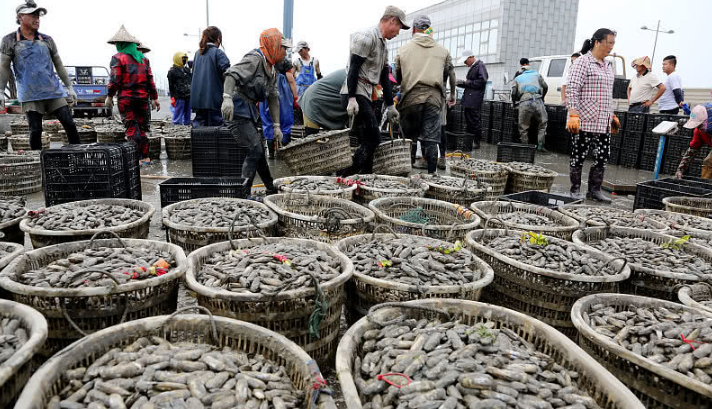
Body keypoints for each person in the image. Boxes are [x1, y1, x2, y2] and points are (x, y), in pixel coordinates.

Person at [0, 1, 80, 150]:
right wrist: (0, 91)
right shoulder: (9, 40)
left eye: (38, 15)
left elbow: (59, 64)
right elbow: (4, 67)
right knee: (35, 130)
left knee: (69, 123)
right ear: (20, 17)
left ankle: (78, 154)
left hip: (53, 91)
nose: (37, 19)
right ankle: (37, 159)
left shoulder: (47, 40)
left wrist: (69, 86)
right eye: (32, 15)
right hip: (30, 94)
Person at [221, 28, 291, 197]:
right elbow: (231, 75)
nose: (285, 52)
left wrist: (276, 126)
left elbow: (273, 97)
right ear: (274, 46)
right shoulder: (255, 59)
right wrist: (227, 98)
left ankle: (270, 187)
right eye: (283, 48)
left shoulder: (272, 68)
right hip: (237, 109)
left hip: (250, 110)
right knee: (255, 149)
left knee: (258, 150)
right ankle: (243, 195)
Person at [339, 5, 408, 176]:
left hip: (367, 93)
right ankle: (346, 175)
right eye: (399, 27)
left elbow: (385, 77)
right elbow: (353, 68)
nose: (398, 32)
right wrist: (352, 98)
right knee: (374, 137)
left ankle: (365, 177)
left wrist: (390, 106)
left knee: (367, 139)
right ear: (392, 20)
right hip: (355, 92)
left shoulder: (384, 46)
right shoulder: (366, 37)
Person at [395, 15, 456, 174]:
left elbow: (397, 77)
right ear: (428, 29)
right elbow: (449, 73)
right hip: (433, 99)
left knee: (409, 139)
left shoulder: (403, 50)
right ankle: (432, 175)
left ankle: (405, 175)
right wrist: (452, 95)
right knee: (431, 139)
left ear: (414, 29)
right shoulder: (443, 51)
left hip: (411, 98)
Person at [566, 28, 620, 203]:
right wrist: (573, 114)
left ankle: (594, 191)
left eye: (613, 43)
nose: (611, 47)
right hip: (584, 120)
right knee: (579, 155)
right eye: (609, 43)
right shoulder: (582, 62)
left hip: (603, 121)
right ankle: (575, 190)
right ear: (597, 42)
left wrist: (612, 115)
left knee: (602, 157)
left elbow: (607, 94)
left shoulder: (608, 66)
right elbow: (572, 88)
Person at [105, 25, 160, 165]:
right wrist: (154, 98)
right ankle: (145, 157)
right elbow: (150, 80)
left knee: (131, 127)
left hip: (126, 100)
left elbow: (115, 80)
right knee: (141, 128)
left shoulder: (117, 58)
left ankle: (136, 158)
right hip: (142, 99)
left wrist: (109, 96)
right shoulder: (143, 59)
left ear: (120, 44)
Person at [191, 26, 230, 127]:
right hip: (214, 100)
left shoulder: (197, 54)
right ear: (218, 39)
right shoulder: (218, 53)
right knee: (216, 131)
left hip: (198, 101)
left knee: (200, 131)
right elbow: (228, 75)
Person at [259, 58, 295, 159]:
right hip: (283, 92)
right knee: (285, 122)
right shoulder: (284, 60)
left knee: (268, 122)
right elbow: (291, 80)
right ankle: (284, 154)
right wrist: (296, 97)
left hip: (266, 89)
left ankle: (271, 154)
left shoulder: (263, 59)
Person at [297, 69, 348, 136]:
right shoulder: (352, 75)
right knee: (312, 137)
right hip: (314, 100)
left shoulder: (348, 72)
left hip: (315, 97)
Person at [512, 58, 548, 150]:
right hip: (537, 100)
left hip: (524, 101)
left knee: (523, 126)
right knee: (543, 123)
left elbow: (513, 93)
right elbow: (545, 86)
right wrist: (543, 97)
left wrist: (514, 103)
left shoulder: (517, 78)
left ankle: (525, 147)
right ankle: (540, 146)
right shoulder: (537, 74)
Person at [457, 50, 488, 149]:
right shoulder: (475, 67)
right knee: (469, 121)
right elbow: (472, 83)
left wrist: (466, 83)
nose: (465, 63)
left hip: (474, 99)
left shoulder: (480, 65)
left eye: (465, 61)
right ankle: (470, 141)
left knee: (474, 121)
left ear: (470, 57)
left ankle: (476, 141)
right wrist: (461, 83)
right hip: (470, 99)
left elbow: (482, 81)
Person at [676, 104, 712, 179]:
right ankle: (706, 184)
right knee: (708, 162)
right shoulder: (699, 131)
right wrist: (680, 169)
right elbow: (692, 150)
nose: (699, 128)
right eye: (697, 126)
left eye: (700, 125)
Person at [168, 52, 192, 125]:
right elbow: (171, 85)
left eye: (185, 59)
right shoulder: (172, 71)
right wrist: (172, 97)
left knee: (188, 111)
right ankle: (177, 124)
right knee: (178, 111)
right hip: (179, 95)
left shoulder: (187, 70)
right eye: (183, 58)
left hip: (188, 95)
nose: (184, 60)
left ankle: (187, 123)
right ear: (177, 59)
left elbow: (191, 80)